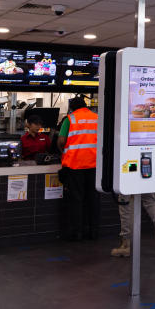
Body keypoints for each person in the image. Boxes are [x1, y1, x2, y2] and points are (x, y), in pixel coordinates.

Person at [57, 96, 100, 241]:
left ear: (72, 108)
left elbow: (61, 141)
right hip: (94, 165)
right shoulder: (97, 118)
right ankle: (94, 231)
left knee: (77, 200)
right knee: (93, 199)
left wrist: (63, 152)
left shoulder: (70, 119)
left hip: (75, 165)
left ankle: (77, 232)